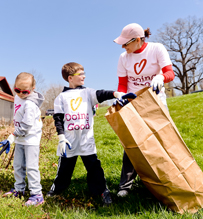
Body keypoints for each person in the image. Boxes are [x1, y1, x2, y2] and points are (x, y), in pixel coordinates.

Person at [46, 62, 128, 206]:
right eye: (80, 74)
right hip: (69, 141)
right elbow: (58, 119)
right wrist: (61, 137)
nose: (84, 76)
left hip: (86, 140)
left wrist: (116, 94)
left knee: (94, 168)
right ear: (70, 78)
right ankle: (56, 190)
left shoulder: (87, 92)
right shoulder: (61, 97)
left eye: (84, 73)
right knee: (64, 169)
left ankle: (102, 191)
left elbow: (101, 94)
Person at [113, 23, 175, 197]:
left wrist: (161, 77)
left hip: (155, 102)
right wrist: (121, 95)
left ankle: (165, 179)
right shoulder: (123, 57)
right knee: (132, 143)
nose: (123, 47)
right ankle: (126, 185)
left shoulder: (157, 49)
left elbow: (170, 72)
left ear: (138, 40)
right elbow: (123, 83)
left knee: (162, 140)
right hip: (133, 103)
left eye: (126, 44)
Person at [0, 72, 45, 206]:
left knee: (31, 167)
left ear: (33, 89)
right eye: (17, 90)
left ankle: (37, 194)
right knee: (18, 165)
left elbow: (26, 126)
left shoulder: (30, 105)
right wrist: (15, 136)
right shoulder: (17, 98)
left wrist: (12, 136)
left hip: (31, 139)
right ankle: (19, 189)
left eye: (25, 91)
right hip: (20, 138)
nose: (20, 93)